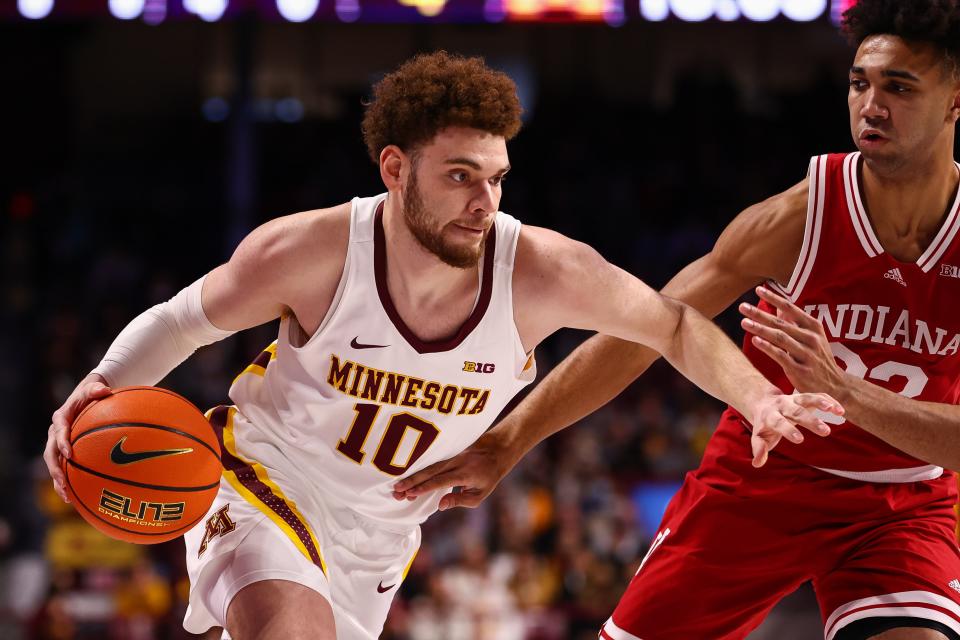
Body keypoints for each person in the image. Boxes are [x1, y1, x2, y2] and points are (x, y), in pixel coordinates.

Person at [42, 52, 839, 640]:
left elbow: (671, 324)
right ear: (396, 169)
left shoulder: (542, 270)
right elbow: (182, 320)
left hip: (382, 533)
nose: (484, 200)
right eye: (460, 176)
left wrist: (758, 396)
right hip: (261, 477)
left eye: (496, 177)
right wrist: (98, 385)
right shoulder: (309, 251)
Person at [394, 4, 960, 640]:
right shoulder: (798, 219)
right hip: (763, 482)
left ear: (955, 99)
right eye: (861, 83)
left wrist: (851, 395)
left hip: (902, 503)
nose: (871, 106)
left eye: (900, 87)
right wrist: (509, 440)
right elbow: (650, 328)